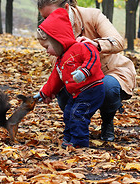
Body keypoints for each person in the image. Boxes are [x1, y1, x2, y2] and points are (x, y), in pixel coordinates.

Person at [37, 0, 136, 142]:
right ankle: (77, 126)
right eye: (44, 17)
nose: (48, 21)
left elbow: (118, 42)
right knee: (64, 95)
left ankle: (108, 120)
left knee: (107, 88)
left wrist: (95, 45)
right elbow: (57, 64)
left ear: (66, 8)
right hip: (77, 77)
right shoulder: (46, 31)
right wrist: (49, 89)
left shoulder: (92, 15)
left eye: (51, 15)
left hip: (108, 72)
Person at [35, 8, 105, 148]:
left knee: (78, 114)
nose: (47, 51)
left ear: (57, 40)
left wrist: (84, 71)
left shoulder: (80, 47)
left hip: (92, 89)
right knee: (68, 113)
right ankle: (69, 137)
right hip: (78, 93)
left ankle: (79, 142)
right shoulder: (60, 61)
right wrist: (44, 93)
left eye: (47, 46)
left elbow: (93, 56)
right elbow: (54, 80)